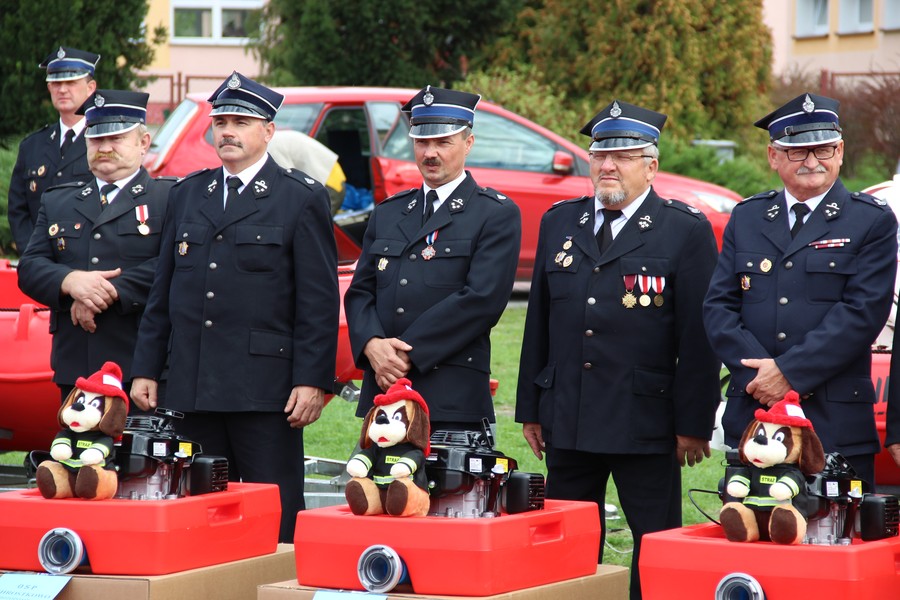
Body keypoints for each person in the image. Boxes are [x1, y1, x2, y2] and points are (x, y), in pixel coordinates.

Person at [515, 100, 720, 600]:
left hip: (644, 421)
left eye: (623, 156)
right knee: (567, 544)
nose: (608, 165)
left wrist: (693, 423)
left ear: (651, 165)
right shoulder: (560, 221)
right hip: (570, 414)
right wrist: (531, 408)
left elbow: (699, 337)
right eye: (600, 154)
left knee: (654, 546)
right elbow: (539, 320)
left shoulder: (684, 229)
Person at [130, 72, 339, 543]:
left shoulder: (300, 197)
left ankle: (278, 580)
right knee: (199, 508)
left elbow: (319, 302)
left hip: (263, 387)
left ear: (268, 131)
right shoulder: (187, 194)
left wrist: (312, 379)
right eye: (221, 122)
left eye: (241, 123)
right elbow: (164, 292)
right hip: (192, 381)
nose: (227, 131)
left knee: (275, 510)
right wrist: (146, 367)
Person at [704, 93, 897, 488]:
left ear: (840, 151)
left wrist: (788, 373)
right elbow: (719, 308)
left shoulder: (871, 221)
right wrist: (762, 378)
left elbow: (862, 313)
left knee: (835, 526)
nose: (812, 161)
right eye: (797, 151)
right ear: (773, 156)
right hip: (755, 416)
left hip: (833, 421)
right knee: (752, 522)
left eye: (823, 149)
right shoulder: (748, 216)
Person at [344, 85, 521, 434]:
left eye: (443, 142)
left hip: (451, 394)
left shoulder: (494, 214)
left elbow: (482, 300)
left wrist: (406, 354)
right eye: (422, 142)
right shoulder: (389, 212)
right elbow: (361, 292)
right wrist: (372, 345)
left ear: (468, 143)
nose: (430, 153)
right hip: (385, 392)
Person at [17, 90, 173, 404]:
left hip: (141, 364)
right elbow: (30, 267)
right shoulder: (58, 201)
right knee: (77, 439)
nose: (104, 148)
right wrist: (69, 281)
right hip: (78, 364)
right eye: (96, 139)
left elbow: (176, 264)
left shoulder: (170, 198)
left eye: (116, 139)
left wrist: (108, 290)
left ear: (143, 143)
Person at [9, 46, 100, 254]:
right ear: (49, 88)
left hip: (87, 261)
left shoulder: (102, 142)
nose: (63, 90)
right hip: (40, 262)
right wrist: (33, 255)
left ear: (91, 88)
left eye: (71, 82)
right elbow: (18, 210)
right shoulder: (32, 145)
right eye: (56, 83)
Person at [267, 128, 347, 214]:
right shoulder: (274, 139)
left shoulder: (271, 146)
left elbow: (286, 181)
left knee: (313, 221)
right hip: (330, 177)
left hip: (329, 183)